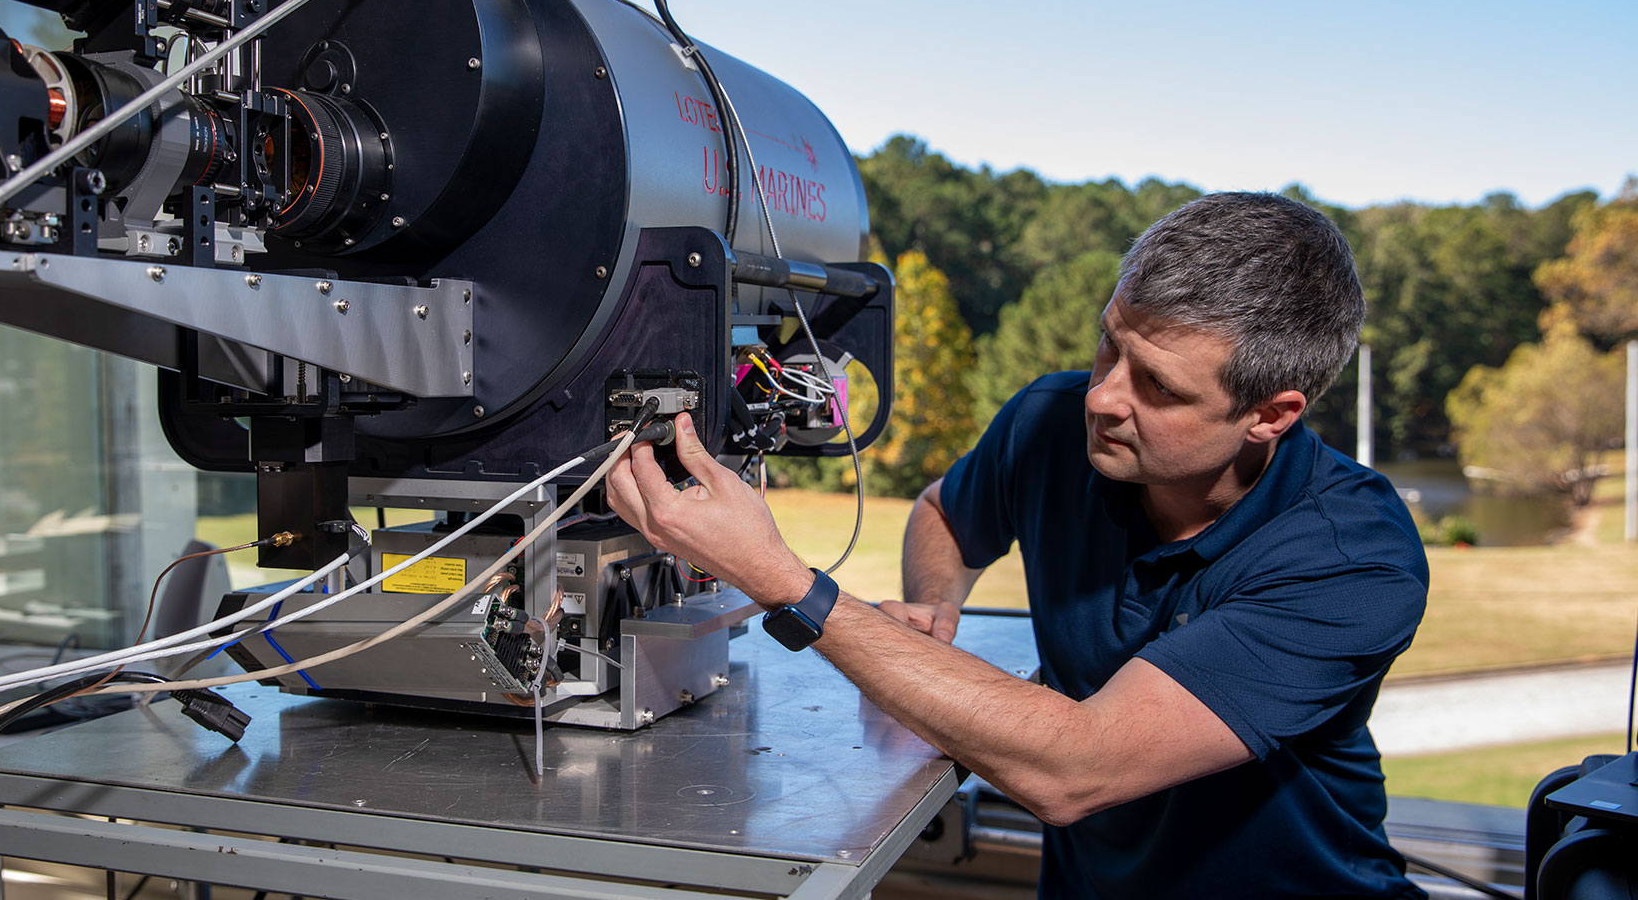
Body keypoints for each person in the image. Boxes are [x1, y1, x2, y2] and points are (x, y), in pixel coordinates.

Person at [605, 192, 1429, 899]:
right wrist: (934, 607)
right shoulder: (1051, 423)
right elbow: (943, 514)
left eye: (1159, 386)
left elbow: (1076, 770)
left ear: (1271, 415)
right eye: (1111, 344)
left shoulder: (1353, 558)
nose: (1103, 396)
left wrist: (786, 581)